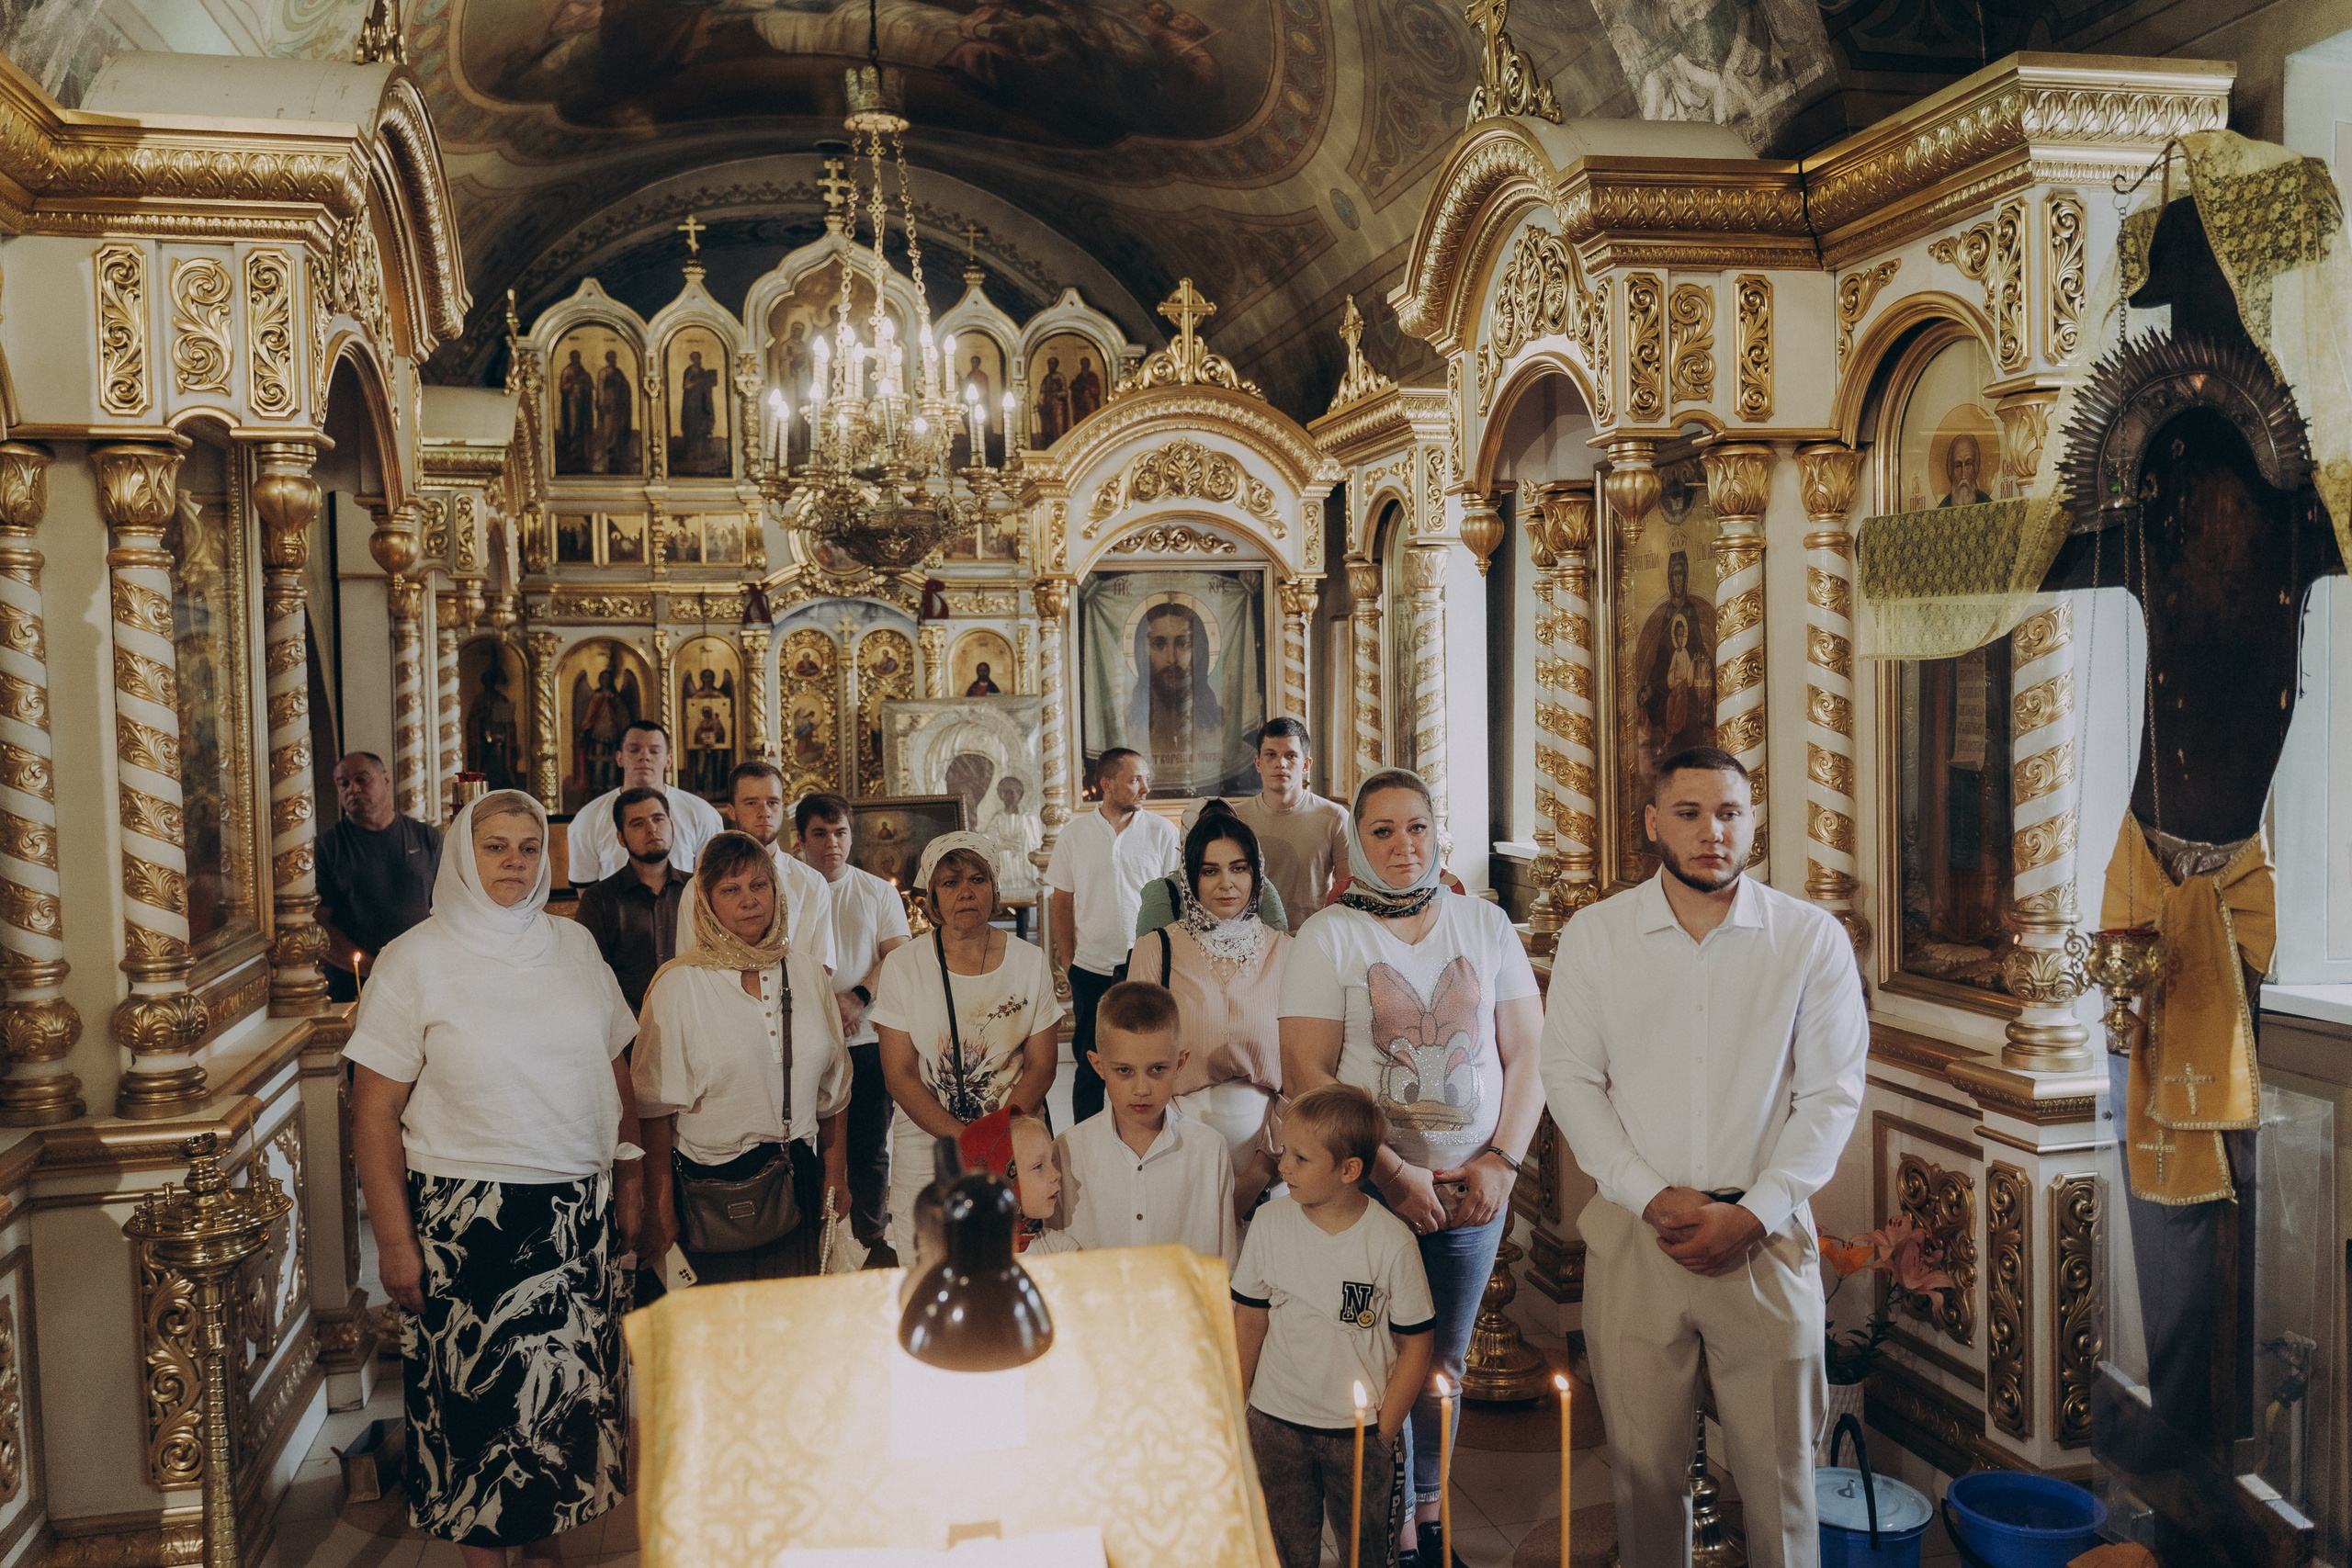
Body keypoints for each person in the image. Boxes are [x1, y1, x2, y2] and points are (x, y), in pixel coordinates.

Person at [1540, 747, 1867, 1568]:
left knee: (1783, 1478)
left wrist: (1754, 1211)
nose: (1711, 831)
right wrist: (1649, 1194)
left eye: (1729, 813)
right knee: (1647, 1479)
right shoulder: (1598, 935)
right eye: (1688, 812)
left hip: (1764, 1236)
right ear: (1653, 822)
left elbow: (1831, 1096)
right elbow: (1570, 1077)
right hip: (1636, 1234)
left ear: (1752, 822)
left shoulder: (1808, 940)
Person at [345, 791, 640, 1564]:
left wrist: (630, 1182)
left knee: (560, 1419)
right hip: (466, 1221)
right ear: (461, 857)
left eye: (529, 846)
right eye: (496, 846)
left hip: (574, 1214)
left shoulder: (573, 947)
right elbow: (372, 1115)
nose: (514, 861)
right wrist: (395, 1243)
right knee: (478, 1422)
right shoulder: (416, 959)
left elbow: (617, 1068)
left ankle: (540, 1551)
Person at [1279, 768, 1544, 1568]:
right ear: (1358, 838)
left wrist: (1501, 1161)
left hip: (1471, 1191)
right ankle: (1372, 1522)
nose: (1404, 845)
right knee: (1366, 1354)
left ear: (1439, 834)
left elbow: (1530, 1051)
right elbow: (1307, 1071)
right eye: (1384, 829)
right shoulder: (1328, 935)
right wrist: (1392, 1172)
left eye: (1418, 827)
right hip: (1365, 1191)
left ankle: (1426, 1524)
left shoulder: (1485, 923)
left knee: (1442, 1364)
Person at [634, 831, 852, 1284]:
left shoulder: (808, 973)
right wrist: (660, 1207)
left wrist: (836, 1173)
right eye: (730, 890)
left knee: (795, 1330)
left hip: (800, 1180)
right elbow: (654, 1110)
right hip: (712, 1192)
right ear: (706, 902)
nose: (749, 901)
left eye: (760, 885)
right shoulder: (679, 985)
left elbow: (835, 1092)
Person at [1232, 1083, 1434, 1568]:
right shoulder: (1269, 1223)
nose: (1282, 1167)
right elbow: (1249, 1321)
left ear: (1349, 1170)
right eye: (1284, 1151)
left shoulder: (1391, 1241)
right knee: (1283, 1551)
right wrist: (1236, 1410)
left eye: (1300, 1158)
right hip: (1275, 1425)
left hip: (1359, 1434)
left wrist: (1384, 1432)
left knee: (1366, 1554)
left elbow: (1417, 1343)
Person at [870, 833, 1062, 1259]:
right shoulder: (905, 965)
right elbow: (899, 1074)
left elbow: (1042, 1065)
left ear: (994, 889)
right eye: (950, 883)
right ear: (932, 897)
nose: (965, 893)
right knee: (928, 1257)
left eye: (978, 879)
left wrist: (997, 1137)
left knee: (1014, 1259)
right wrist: (965, 1139)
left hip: (1015, 1130)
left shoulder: (1028, 962)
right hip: (929, 1139)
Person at [1125, 801, 1290, 1216]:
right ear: (1189, 878)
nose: (1226, 884)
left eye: (1239, 868)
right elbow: (1131, 1063)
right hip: (1172, 1150)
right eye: (1209, 870)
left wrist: (1259, 1173)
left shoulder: (1288, 952)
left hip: (1275, 1160)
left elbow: (1304, 1072)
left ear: (1257, 874)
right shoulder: (1156, 949)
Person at [797, 793, 912, 1263]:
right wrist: (826, 1006)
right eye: (820, 834)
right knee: (809, 1144)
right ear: (801, 839)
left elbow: (897, 954)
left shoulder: (876, 890)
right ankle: (812, 1243)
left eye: (840, 832)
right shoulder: (790, 890)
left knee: (869, 1146)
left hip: (865, 1037)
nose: (832, 843)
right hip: (805, 1037)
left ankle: (871, 1242)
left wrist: (856, 998)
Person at [1048, 979, 1236, 1264]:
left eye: (1157, 1069)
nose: (1141, 1089)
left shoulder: (1209, 1150)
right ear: (1098, 1065)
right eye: (1124, 1070)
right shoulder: (1068, 1150)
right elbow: (1055, 1258)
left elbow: (1225, 1264)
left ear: (1180, 1064)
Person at [1046, 748, 1180, 1123]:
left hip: (1149, 967)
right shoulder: (1075, 835)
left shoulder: (1162, 832)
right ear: (1106, 784)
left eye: (1146, 779)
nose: (1145, 788)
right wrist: (1069, 961)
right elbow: (1062, 902)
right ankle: (1086, 1144)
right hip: (1092, 968)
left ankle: (1151, 1133)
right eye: (1136, 779)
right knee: (1091, 1061)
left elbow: (1177, 900)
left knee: (1151, 1058)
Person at [1140, 717, 1346, 931]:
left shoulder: (1334, 817)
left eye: (1290, 756)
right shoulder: (1234, 820)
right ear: (1257, 762)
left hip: (1312, 937)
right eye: (1271, 755)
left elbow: (1346, 891)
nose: (1280, 764)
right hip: (1249, 942)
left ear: (1306, 764)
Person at [671, 761, 835, 976]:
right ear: (732, 810)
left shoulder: (811, 882)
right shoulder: (700, 887)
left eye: (773, 802)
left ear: (783, 808)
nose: (764, 812)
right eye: (751, 803)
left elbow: (822, 967)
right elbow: (689, 967)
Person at [316, 751, 444, 1004]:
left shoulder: (426, 838)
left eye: (362, 779)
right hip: (356, 982)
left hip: (421, 976)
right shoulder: (327, 847)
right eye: (344, 784)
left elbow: (448, 907)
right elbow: (319, 925)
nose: (353, 789)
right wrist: (375, 969)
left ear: (385, 780)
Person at [573, 785, 688, 1014]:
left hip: (695, 1024)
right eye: (638, 823)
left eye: (658, 819)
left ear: (672, 826)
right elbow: (592, 976)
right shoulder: (599, 900)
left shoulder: (699, 890)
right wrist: (630, 1029)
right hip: (629, 1034)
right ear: (621, 838)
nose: (652, 829)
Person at [568, 720, 724, 886]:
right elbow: (586, 890)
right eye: (634, 750)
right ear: (619, 758)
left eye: (655, 751)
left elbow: (713, 882)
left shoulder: (701, 812)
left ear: (668, 760)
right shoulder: (588, 818)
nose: (645, 757)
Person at [958, 1107, 1072, 1255]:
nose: (1056, 1174)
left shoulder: (1063, 1249)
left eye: (1052, 1161)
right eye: (1039, 1166)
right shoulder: (965, 1260)